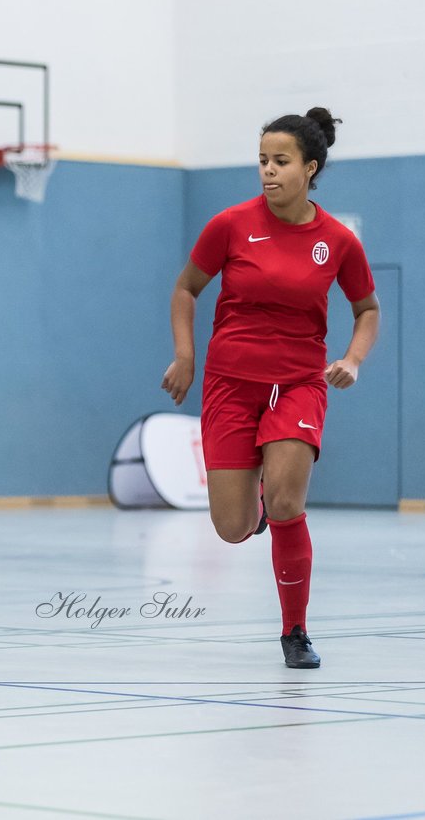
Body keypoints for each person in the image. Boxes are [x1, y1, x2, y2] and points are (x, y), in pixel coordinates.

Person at [161, 108, 379, 669]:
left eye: (280, 162)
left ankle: (295, 631)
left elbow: (367, 309)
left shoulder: (337, 241)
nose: (268, 171)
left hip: (299, 384)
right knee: (232, 528)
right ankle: (251, 507)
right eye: (262, 161)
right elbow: (186, 289)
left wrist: (353, 360)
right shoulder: (230, 224)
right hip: (231, 384)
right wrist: (186, 356)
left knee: (287, 502)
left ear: (310, 168)